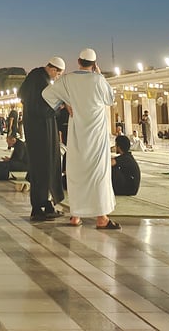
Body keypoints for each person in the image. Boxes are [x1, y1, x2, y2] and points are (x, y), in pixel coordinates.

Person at [43, 48, 119, 230]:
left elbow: (47, 94)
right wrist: (100, 75)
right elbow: (110, 99)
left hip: (77, 133)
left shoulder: (67, 79)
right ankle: (102, 218)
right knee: (98, 174)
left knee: (77, 173)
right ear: (94, 64)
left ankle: (75, 216)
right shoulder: (98, 79)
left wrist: (65, 103)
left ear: (78, 61)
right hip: (97, 135)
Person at [17, 55, 65, 220]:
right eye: (57, 74)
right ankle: (39, 208)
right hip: (42, 130)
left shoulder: (33, 76)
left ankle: (44, 205)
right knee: (45, 166)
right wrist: (60, 106)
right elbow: (44, 109)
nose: (56, 77)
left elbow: (21, 94)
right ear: (52, 69)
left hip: (32, 128)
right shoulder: (42, 82)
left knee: (39, 167)